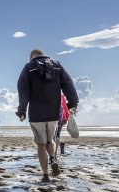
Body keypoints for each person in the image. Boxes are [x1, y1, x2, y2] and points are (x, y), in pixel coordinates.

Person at [16, 49, 79, 183]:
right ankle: (52, 158)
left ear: (31, 57)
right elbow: (68, 84)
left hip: (36, 113)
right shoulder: (56, 65)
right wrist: (72, 103)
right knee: (50, 141)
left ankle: (45, 175)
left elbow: (23, 90)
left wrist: (21, 111)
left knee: (40, 144)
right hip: (53, 112)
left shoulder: (28, 67)